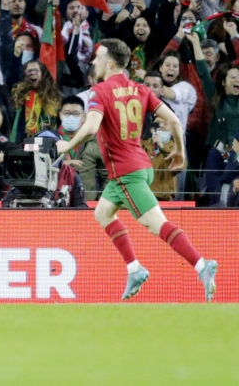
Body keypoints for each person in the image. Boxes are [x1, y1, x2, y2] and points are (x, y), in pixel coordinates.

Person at [56, 39, 218, 301]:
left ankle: (202, 265)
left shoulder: (100, 90)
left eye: (97, 57)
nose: (94, 61)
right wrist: (180, 151)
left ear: (110, 63)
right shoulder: (139, 89)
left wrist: (67, 145)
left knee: (157, 225)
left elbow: (90, 127)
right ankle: (134, 268)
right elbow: (174, 120)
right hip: (140, 165)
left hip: (125, 173)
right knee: (102, 212)